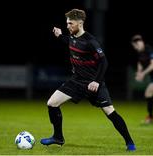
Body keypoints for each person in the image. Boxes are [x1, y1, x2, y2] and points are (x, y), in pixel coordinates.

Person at [41, 8, 136, 151]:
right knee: (52, 103)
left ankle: (130, 142)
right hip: (76, 81)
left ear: (79, 24)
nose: (67, 26)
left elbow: (104, 62)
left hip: (93, 83)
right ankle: (58, 137)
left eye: (70, 23)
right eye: (67, 23)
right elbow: (70, 41)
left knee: (110, 111)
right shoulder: (72, 37)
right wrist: (60, 36)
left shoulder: (91, 41)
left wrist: (96, 81)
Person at [131, 34, 153, 123]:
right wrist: (139, 73)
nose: (135, 48)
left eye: (135, 45)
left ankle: (150, 118)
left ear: (139, 42)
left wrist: (143, 73)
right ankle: (151, 117)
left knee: (148, 92)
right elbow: (140, 63)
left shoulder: (149, 50)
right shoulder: (140, 53)